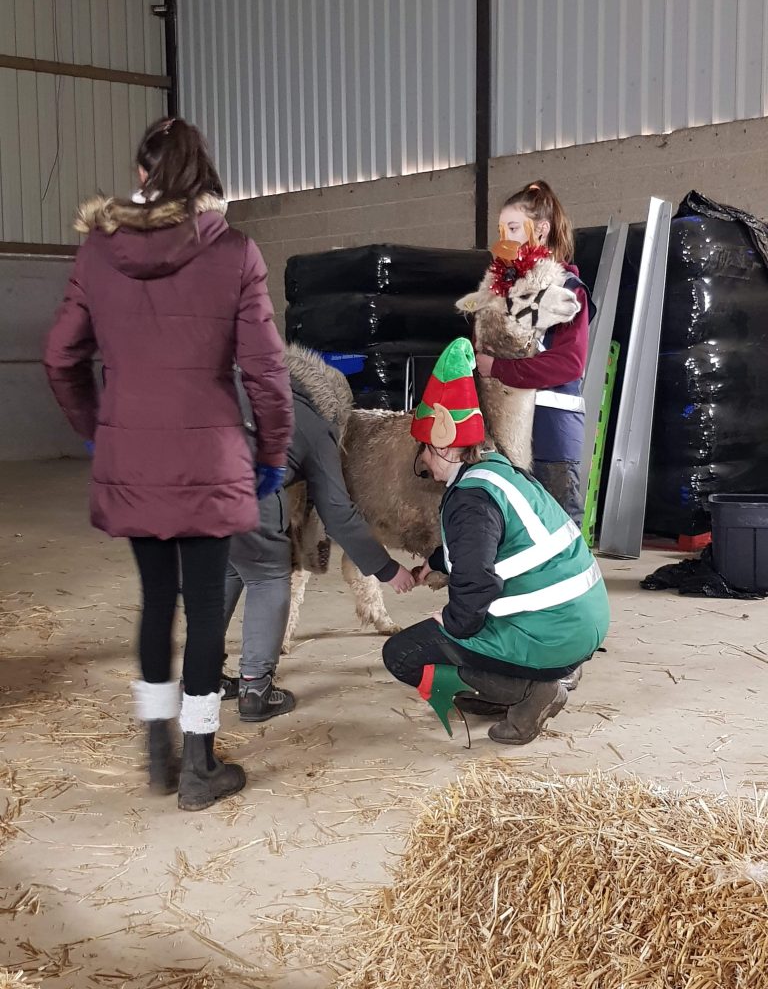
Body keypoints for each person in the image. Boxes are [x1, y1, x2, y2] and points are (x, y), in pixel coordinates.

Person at [44, 117, 293, 810]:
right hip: (208, 454)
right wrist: (271, 451)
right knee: (207, 603)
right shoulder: (235, 252)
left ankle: (156, 750)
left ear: (144, 175)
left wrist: (98, 431)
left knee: (157, 599)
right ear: (201, 175)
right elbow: (267, 372)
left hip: (133, 456)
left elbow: (59, 356)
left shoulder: (97, 253)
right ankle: (199, 763)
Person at [382, 338, 610, 746]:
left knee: (402, 654)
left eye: (425, 454)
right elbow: (483, 546)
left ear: (443, 443)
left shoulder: (469, 501)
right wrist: (436, 562)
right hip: (581, 621)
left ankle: (533, 691)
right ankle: (535, 676)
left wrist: (450, 625)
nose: (426, 466)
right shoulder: (497, 469)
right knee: (457, 633)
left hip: (555, 632)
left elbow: (477, 584)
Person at [225, 345, 415, 721]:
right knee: (268, 576)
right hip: (244, 493)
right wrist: (388, 569)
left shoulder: (231, 386)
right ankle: (255, 688)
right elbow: (338, 513)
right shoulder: (315, 422)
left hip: (184, 492)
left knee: (226, 570)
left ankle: (202, 676)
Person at [475, 180, 596, 524]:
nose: (505, 237)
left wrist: (498, 368)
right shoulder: (502, 292)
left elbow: (569, 363)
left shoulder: (568, 291)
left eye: (513, 227)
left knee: (559, 529)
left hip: (550, 435)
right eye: (501, 229)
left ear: (540, 231)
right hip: (506, 431)